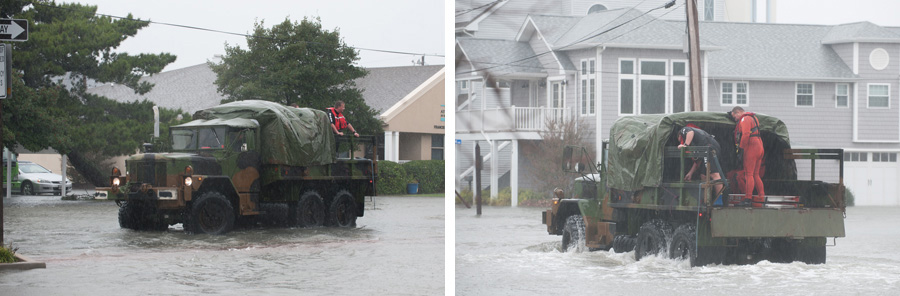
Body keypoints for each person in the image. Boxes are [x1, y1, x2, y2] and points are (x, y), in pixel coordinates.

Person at [677, 124, 725, 204]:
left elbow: (690, 132)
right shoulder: (696, 143)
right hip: (707, 149)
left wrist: (685, 145)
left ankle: (719, 200)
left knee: (714, 174)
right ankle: (709, 199)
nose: (680, 141)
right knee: (704, 176)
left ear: (679, 136)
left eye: (679, 140)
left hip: (709, 148)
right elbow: (698, 161)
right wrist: (690, 173)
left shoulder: (684, 130)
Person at [730, 106, 765, 206]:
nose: (735, 119)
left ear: (738, 113)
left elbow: (745, 134)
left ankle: (748, 199)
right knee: (756, 174)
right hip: (759, 145)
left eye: (734, 117)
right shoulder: (754, 118)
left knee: (748, 174)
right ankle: (761, 196)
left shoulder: (745, 119)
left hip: (751, 146)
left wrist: (741, 148)